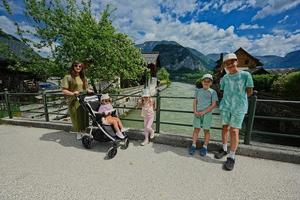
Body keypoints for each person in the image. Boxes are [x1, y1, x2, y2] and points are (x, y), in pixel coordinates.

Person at [214, 53, 254, 171]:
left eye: (232, 62)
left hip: (239, 107)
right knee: (225, 127)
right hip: (226, 106)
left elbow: (249, 92)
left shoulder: (246, 75)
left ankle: (232, 157)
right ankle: (224, 149)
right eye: (227, 63)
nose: (230, 65)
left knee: (234, 130)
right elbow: (223, 91)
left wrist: (238, 100)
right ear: (225, 66)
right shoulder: (225, 78)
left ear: (236, 61)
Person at [61, 61, 93, 140]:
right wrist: (72, 93)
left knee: (84, 116)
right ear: (73, 66)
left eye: (80, 66)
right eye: (76, 65)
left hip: (83, 99)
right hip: (73, 100)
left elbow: (86, 88)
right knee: (76, 116)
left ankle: (84, 131)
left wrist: (89, 90)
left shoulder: (83, 77)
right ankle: (78, 132)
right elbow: (64, 90)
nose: (78, 67)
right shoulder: (68, 77)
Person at [189, 74, 218, 156]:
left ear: (211, 83)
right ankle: (193, 145)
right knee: (196, 129)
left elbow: (214, 105)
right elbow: (195, 101)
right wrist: (194, 111)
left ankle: (205, 147)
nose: (206, 82)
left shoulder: (213, 92)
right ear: (202, 82)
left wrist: (204, 112)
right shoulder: (198, 91)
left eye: (208, 81)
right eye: (204, 81)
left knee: (206, 130)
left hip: (207, 114)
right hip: (197, 113)